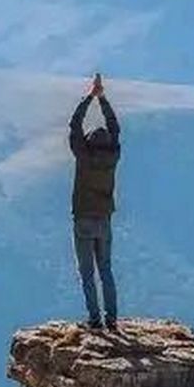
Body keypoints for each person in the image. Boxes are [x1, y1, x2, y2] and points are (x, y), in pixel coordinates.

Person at [68, 72, 121, 330]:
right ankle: (111, 319)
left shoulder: (83, 157)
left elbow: (74, 124)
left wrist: (90, 97)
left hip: (83, 220)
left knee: (87, 274)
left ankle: (94, 320)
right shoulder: (113, 157)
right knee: (106, 270)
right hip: (104, 218)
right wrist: (104, 100)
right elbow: (115, 127)